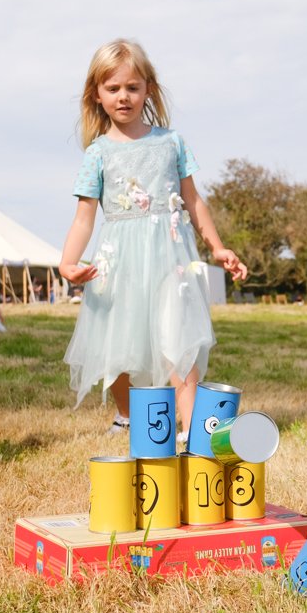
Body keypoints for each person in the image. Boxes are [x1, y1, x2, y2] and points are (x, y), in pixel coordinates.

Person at [59, 39, 248, 441]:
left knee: (177, 338)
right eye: (113, 88)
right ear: (97, 94)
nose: (123, 96)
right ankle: (128, 415)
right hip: (119, 261)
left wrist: (218, 246)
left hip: (169, 258)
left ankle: (192, 430)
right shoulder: (97, 154)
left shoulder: (171, 142)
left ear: (149, 89)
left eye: (132, 87)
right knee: (117, 341)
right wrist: (67, 262)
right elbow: (83, 218)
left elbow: (194, 200)